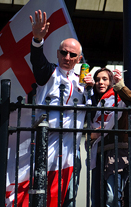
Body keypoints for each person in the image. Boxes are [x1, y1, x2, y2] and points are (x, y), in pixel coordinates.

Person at [30, 10, 94, 207]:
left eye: (72, 54)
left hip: (71, 148)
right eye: (63, 52)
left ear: (79, 58)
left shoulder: (83, 81)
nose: (67, 57)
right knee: (41, 196)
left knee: (69, 197)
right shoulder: (49, 73)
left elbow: (97, 109)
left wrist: (94, 89)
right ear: (57, 53)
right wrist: (37, 40)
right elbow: (37, 63)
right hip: (45, 145)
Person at [90, 67, 131, 207]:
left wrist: (120, 85)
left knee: (112, 197)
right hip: (99, 152)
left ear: (112, 81)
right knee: (96, 198)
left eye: (105, 79)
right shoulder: (95, 101)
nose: (100, 82)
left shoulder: (119, 95)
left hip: (118, 150)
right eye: (97, 80)